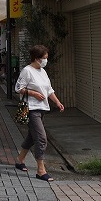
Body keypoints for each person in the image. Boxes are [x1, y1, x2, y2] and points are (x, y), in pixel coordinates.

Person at [14, 44, 64, 182]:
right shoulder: (27, 71)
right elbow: (18, 88)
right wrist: (33, 93)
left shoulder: (42, 71)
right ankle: (41, 170)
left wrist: (57, 102)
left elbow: (49, 90)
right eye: (44, 58)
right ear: (36, 58)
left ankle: (20, 160)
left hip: (42, 109)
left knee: (32, 137)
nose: (45, 61)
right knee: (41, 138)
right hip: (31, 109)